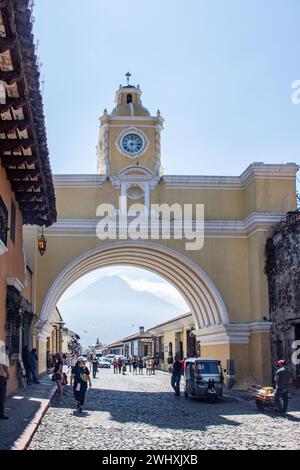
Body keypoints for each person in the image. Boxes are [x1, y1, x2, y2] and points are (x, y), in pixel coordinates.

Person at [0, 346, 10, 419]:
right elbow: (5, 367)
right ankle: (1, 414)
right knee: (2, 397)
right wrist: (8, 374)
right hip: (2, 378)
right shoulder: (5, 357)